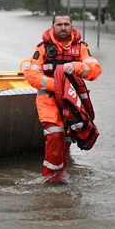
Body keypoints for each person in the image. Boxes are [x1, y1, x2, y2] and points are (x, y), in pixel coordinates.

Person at [23, 12, 101, 184]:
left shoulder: (81, 48)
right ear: (52, 27)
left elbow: (94, 69)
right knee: (55, 134)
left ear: (72, 26)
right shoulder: (42, 48)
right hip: (48, 100)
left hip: (70, 100)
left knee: (66, 138)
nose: (63, 27)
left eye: (66, 24)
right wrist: (55, 84)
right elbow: (30, 74)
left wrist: (77, 66)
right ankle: (49, 178)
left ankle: (61, 176)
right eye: (59, 24)